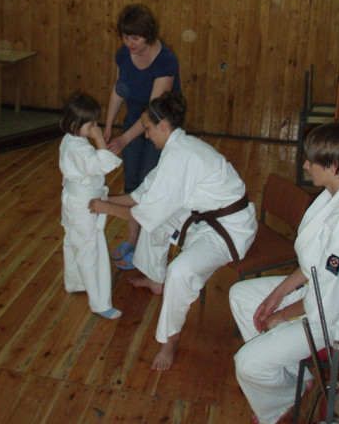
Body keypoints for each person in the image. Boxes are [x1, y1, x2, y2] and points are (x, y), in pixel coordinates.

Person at [90, 91, 257, 369]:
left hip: (230, 229)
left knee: (179, 271)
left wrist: (105, 208)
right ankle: (156, 280)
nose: (146, 135)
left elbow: (146, 213)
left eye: (147, 129)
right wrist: (104, 200)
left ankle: (170, 340)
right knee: (157, 222)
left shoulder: (181, 155)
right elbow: (142, 196)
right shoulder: (175, 149)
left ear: (163, 125)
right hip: (204, 217)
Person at [229, 121, 339, 424]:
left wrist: (282, 316)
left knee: (246, 363)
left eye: (311, 160)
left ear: (333, 165)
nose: (305, 165)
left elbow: (329, 301)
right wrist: (277, 295)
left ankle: (279, 405)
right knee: (241, 295)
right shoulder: (336, 196)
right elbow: (315, 264)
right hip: (322, 294)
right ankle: (296, 379)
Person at [104, 4, 181, 270]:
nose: (129, 43)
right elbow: (119, 90)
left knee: (149, 188)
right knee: (132, 183)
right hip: (133, 123)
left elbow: (152, 111)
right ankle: (133, 240)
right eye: (125, 37)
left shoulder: (166, 61)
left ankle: (147, 251)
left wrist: (124, 139)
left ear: (148, 34)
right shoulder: (123, 55)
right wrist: (108, 126)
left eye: (135, 38)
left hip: (160, 128)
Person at [59, 93, 123, 320]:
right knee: (91, 250)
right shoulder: (80, 148)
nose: (95, 127)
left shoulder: (70, 140)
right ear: (75, 124)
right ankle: (100, 303)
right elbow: (103, 166)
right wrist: (99, 140)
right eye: (91, 124)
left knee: (74, 242)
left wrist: (96, 141)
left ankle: (75, 281)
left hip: (73, 202)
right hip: (83, 206)